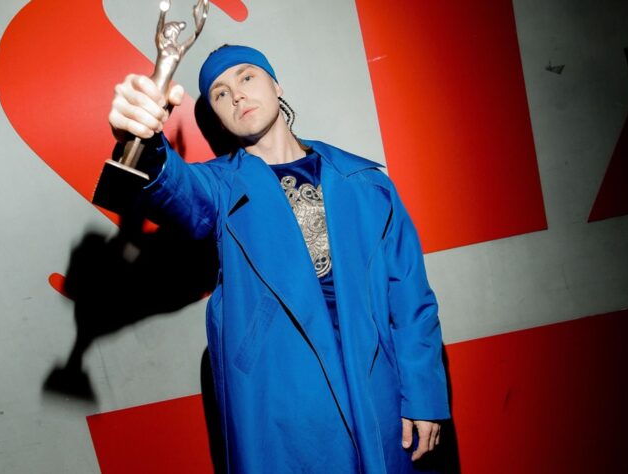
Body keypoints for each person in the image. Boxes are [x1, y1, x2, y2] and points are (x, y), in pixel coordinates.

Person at [107, 45, 450, 473]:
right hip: (282, 401)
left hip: (376, 386)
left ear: (276, 85)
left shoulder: (364, 182)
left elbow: (411, 299)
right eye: (220, 93)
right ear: (217, 117)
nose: (236, 94)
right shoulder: (220, 187)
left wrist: (423, 395)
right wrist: (140, 139)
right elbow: (176, 189)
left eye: (247, 77)